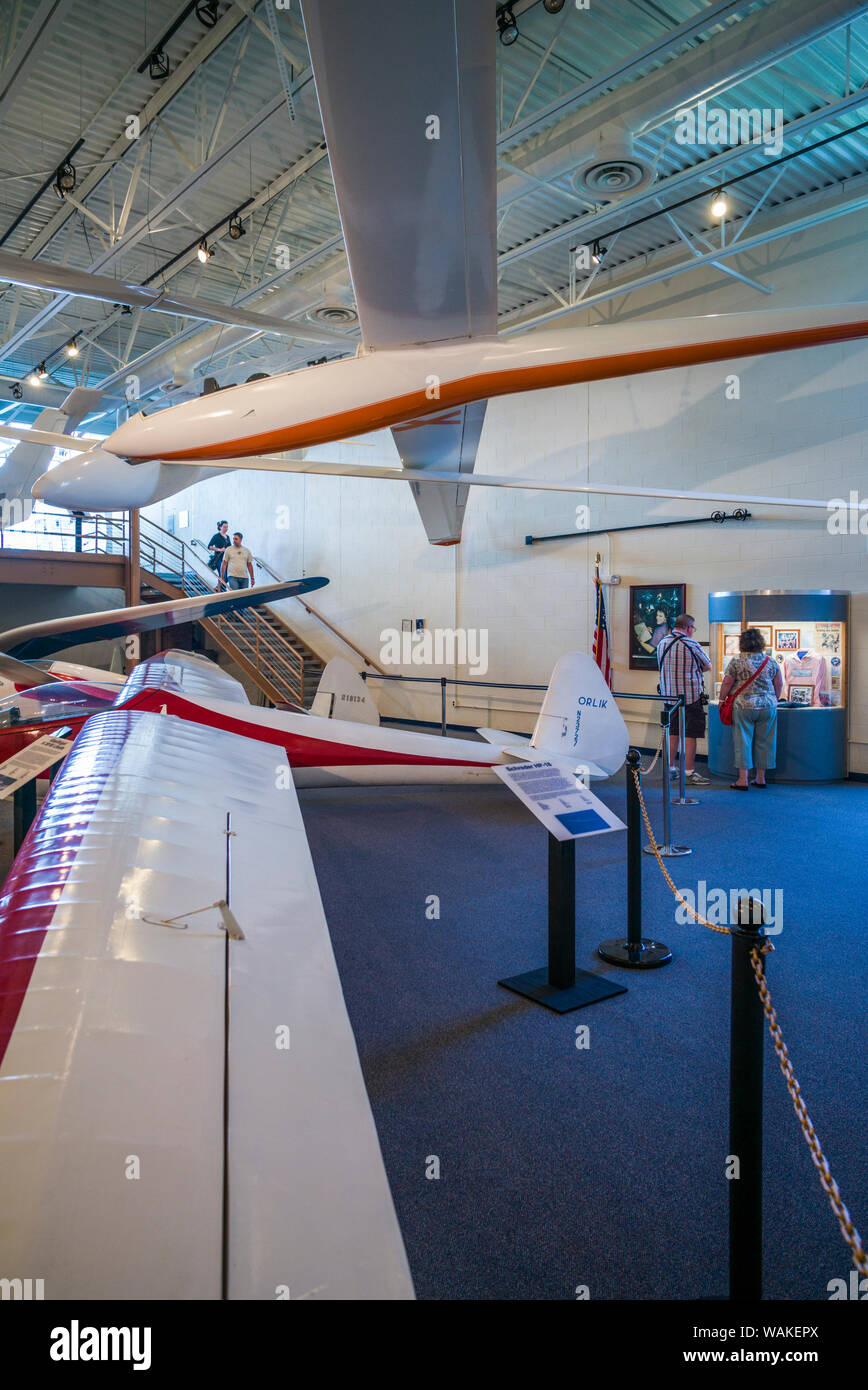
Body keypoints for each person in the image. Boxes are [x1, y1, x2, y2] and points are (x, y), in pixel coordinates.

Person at [718, 627, 783, 789]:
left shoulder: (737, 660)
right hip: (768, 706)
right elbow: (779, 683)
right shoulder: (771, 661)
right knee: (766, 742)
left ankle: (743, 779)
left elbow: (727, 682)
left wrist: (721, 699)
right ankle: (761, 778)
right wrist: (772, 698)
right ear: (760, 643)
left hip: (743, 706)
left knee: (743, 741)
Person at [657, 613, 712, 787]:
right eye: (693, 629)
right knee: (690, 734)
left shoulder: (662, 643)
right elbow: (708, 665)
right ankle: (688, 772)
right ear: (688, 628)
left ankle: (670, 769)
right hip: (690, 697)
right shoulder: (690, 643)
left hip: (669, 696)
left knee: (673, 732)